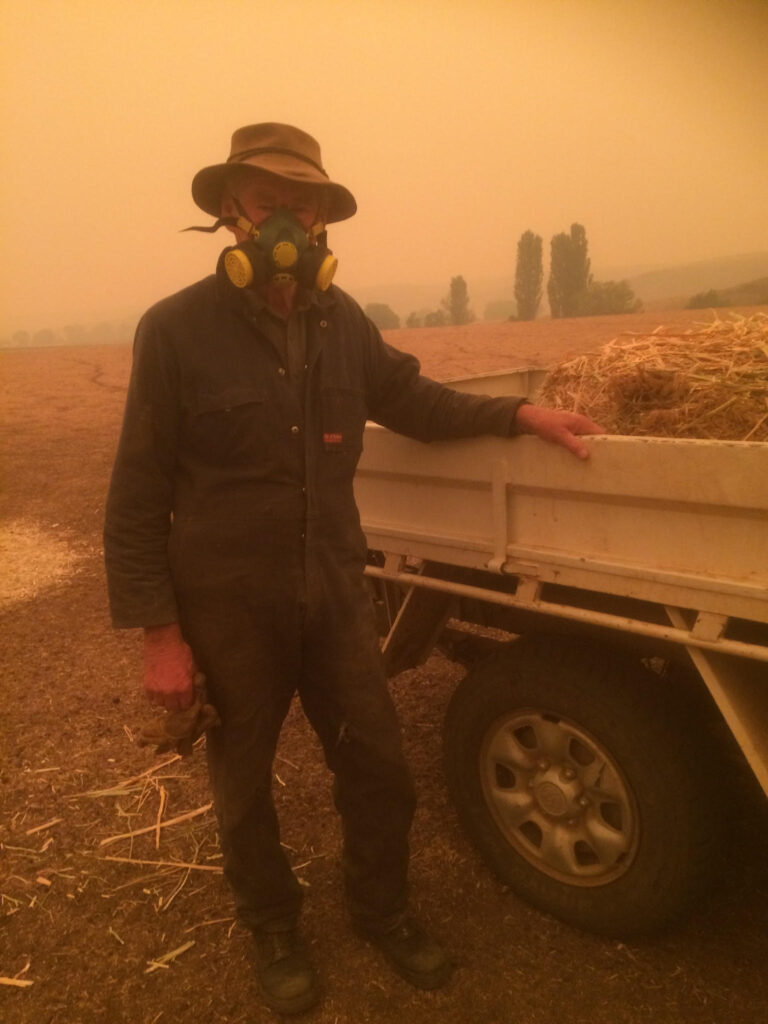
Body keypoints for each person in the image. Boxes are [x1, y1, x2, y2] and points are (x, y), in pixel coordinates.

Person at [104, 122, 602, 1015]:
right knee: (243, 783)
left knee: (377, 764)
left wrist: (520, 416)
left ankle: (382, 909)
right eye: (272, 204)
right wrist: (161, 639)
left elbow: (411, 398)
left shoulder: (344, 321)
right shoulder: (174, 331)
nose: (293, 223)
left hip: (335, 590)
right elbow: (137, 494)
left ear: (327, 221)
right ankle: (272, 924)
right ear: (232, 213)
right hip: (228, 605)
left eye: (309, 206)